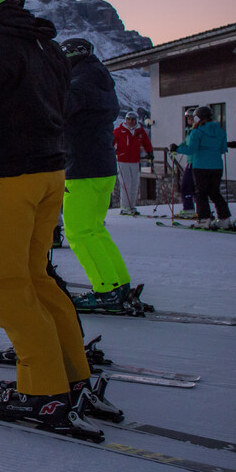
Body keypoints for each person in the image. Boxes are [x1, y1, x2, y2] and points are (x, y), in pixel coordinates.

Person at [0, 0, 109, 439]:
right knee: (37, 276)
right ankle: (73, 376)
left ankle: (41, 392)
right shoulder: (48, 46)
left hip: (9, 179)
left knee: (8, 281)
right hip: (51, 175)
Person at [58, 38, 134, 313]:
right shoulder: (100, 80)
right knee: (95, 229)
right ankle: (118, 284)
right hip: (102, 166)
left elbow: (58, 109)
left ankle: (106, 289)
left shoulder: (79, 83)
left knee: (78, 232)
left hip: (82, 168)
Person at [168, 106, 233, 230]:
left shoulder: (196, 132)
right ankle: (225, 219)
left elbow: (192, 149)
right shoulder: (220, 131)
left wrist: (177, 149)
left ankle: (204, 219)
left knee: (201, 193)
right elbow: (223, 149)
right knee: (215, 192)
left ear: (198, 118)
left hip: (201, 166)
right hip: (217, 166)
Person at [113, 111, 153, 215]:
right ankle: (125, 207)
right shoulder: (119, 131)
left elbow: (146, 142)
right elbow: (111, 142)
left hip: (135, 160)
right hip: (122, 160)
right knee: (126, 184)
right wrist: (111, 151)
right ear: (125, 120)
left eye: (133, 120)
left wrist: (150, 152)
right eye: (129, 119)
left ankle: (132, 206)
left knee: (134, 184)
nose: (131, 122)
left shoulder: (140, 131)